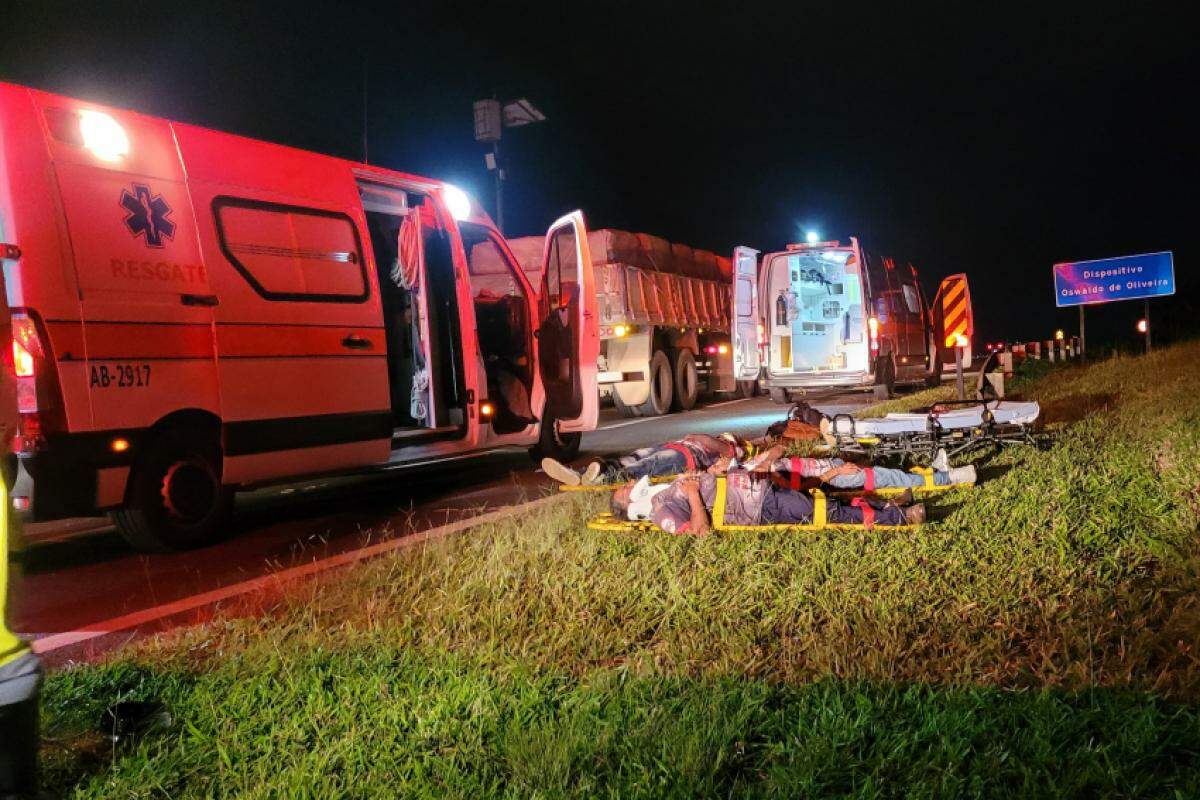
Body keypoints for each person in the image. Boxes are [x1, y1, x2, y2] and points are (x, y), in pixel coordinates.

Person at [612, 464, 926, 537]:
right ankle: (901, 518)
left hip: (757, 491)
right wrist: (694, 493)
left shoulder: (661, 491)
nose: (629, 484)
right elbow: (700, 532)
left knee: (822, 499)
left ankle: (890, 506)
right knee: (825, 512)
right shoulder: (659, 512)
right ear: (630, 508)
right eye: (623, 491)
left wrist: (714, 471)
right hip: (759, 508)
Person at [541, 432, 759, 486]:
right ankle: (579, 475)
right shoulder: (713, 443)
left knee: (644, 465)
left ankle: (602, 479)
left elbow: (714, 445)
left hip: (686, 457)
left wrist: (701, 438)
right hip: (675, 448)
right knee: (632, 458)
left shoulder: (731, 450)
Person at [744, 443, 975, 491]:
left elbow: (779, 448)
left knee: (885, 463)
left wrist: (766, 460)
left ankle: (934, 471)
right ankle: (951, 477)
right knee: (888, 477)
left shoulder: (754, 463)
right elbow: (805, 487)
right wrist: (838, 471)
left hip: (832, 465)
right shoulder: (755, 479)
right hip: (833, 478)